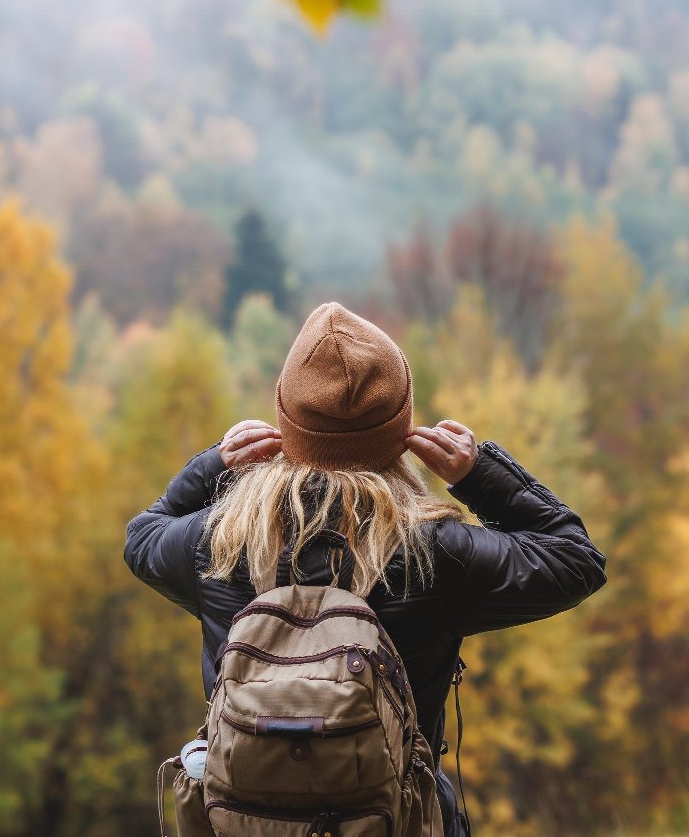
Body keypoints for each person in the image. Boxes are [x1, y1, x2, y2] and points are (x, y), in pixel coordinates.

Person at [124, 302, 607, 835]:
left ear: (286, 421)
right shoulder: (432, 552)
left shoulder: (221, 543)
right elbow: (575, 559)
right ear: (401, 430)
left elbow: (142, 537)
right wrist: (478, 474)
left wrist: (215, 462)